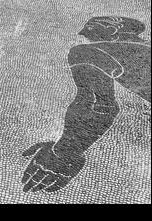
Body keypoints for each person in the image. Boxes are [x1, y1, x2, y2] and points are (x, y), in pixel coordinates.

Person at [22, 16, 151, 192]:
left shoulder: (89, 53)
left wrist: (65, 152)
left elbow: (98, 103)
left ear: (113, 29)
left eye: (91, 32)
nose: (89, 39)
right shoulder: (142, 49)